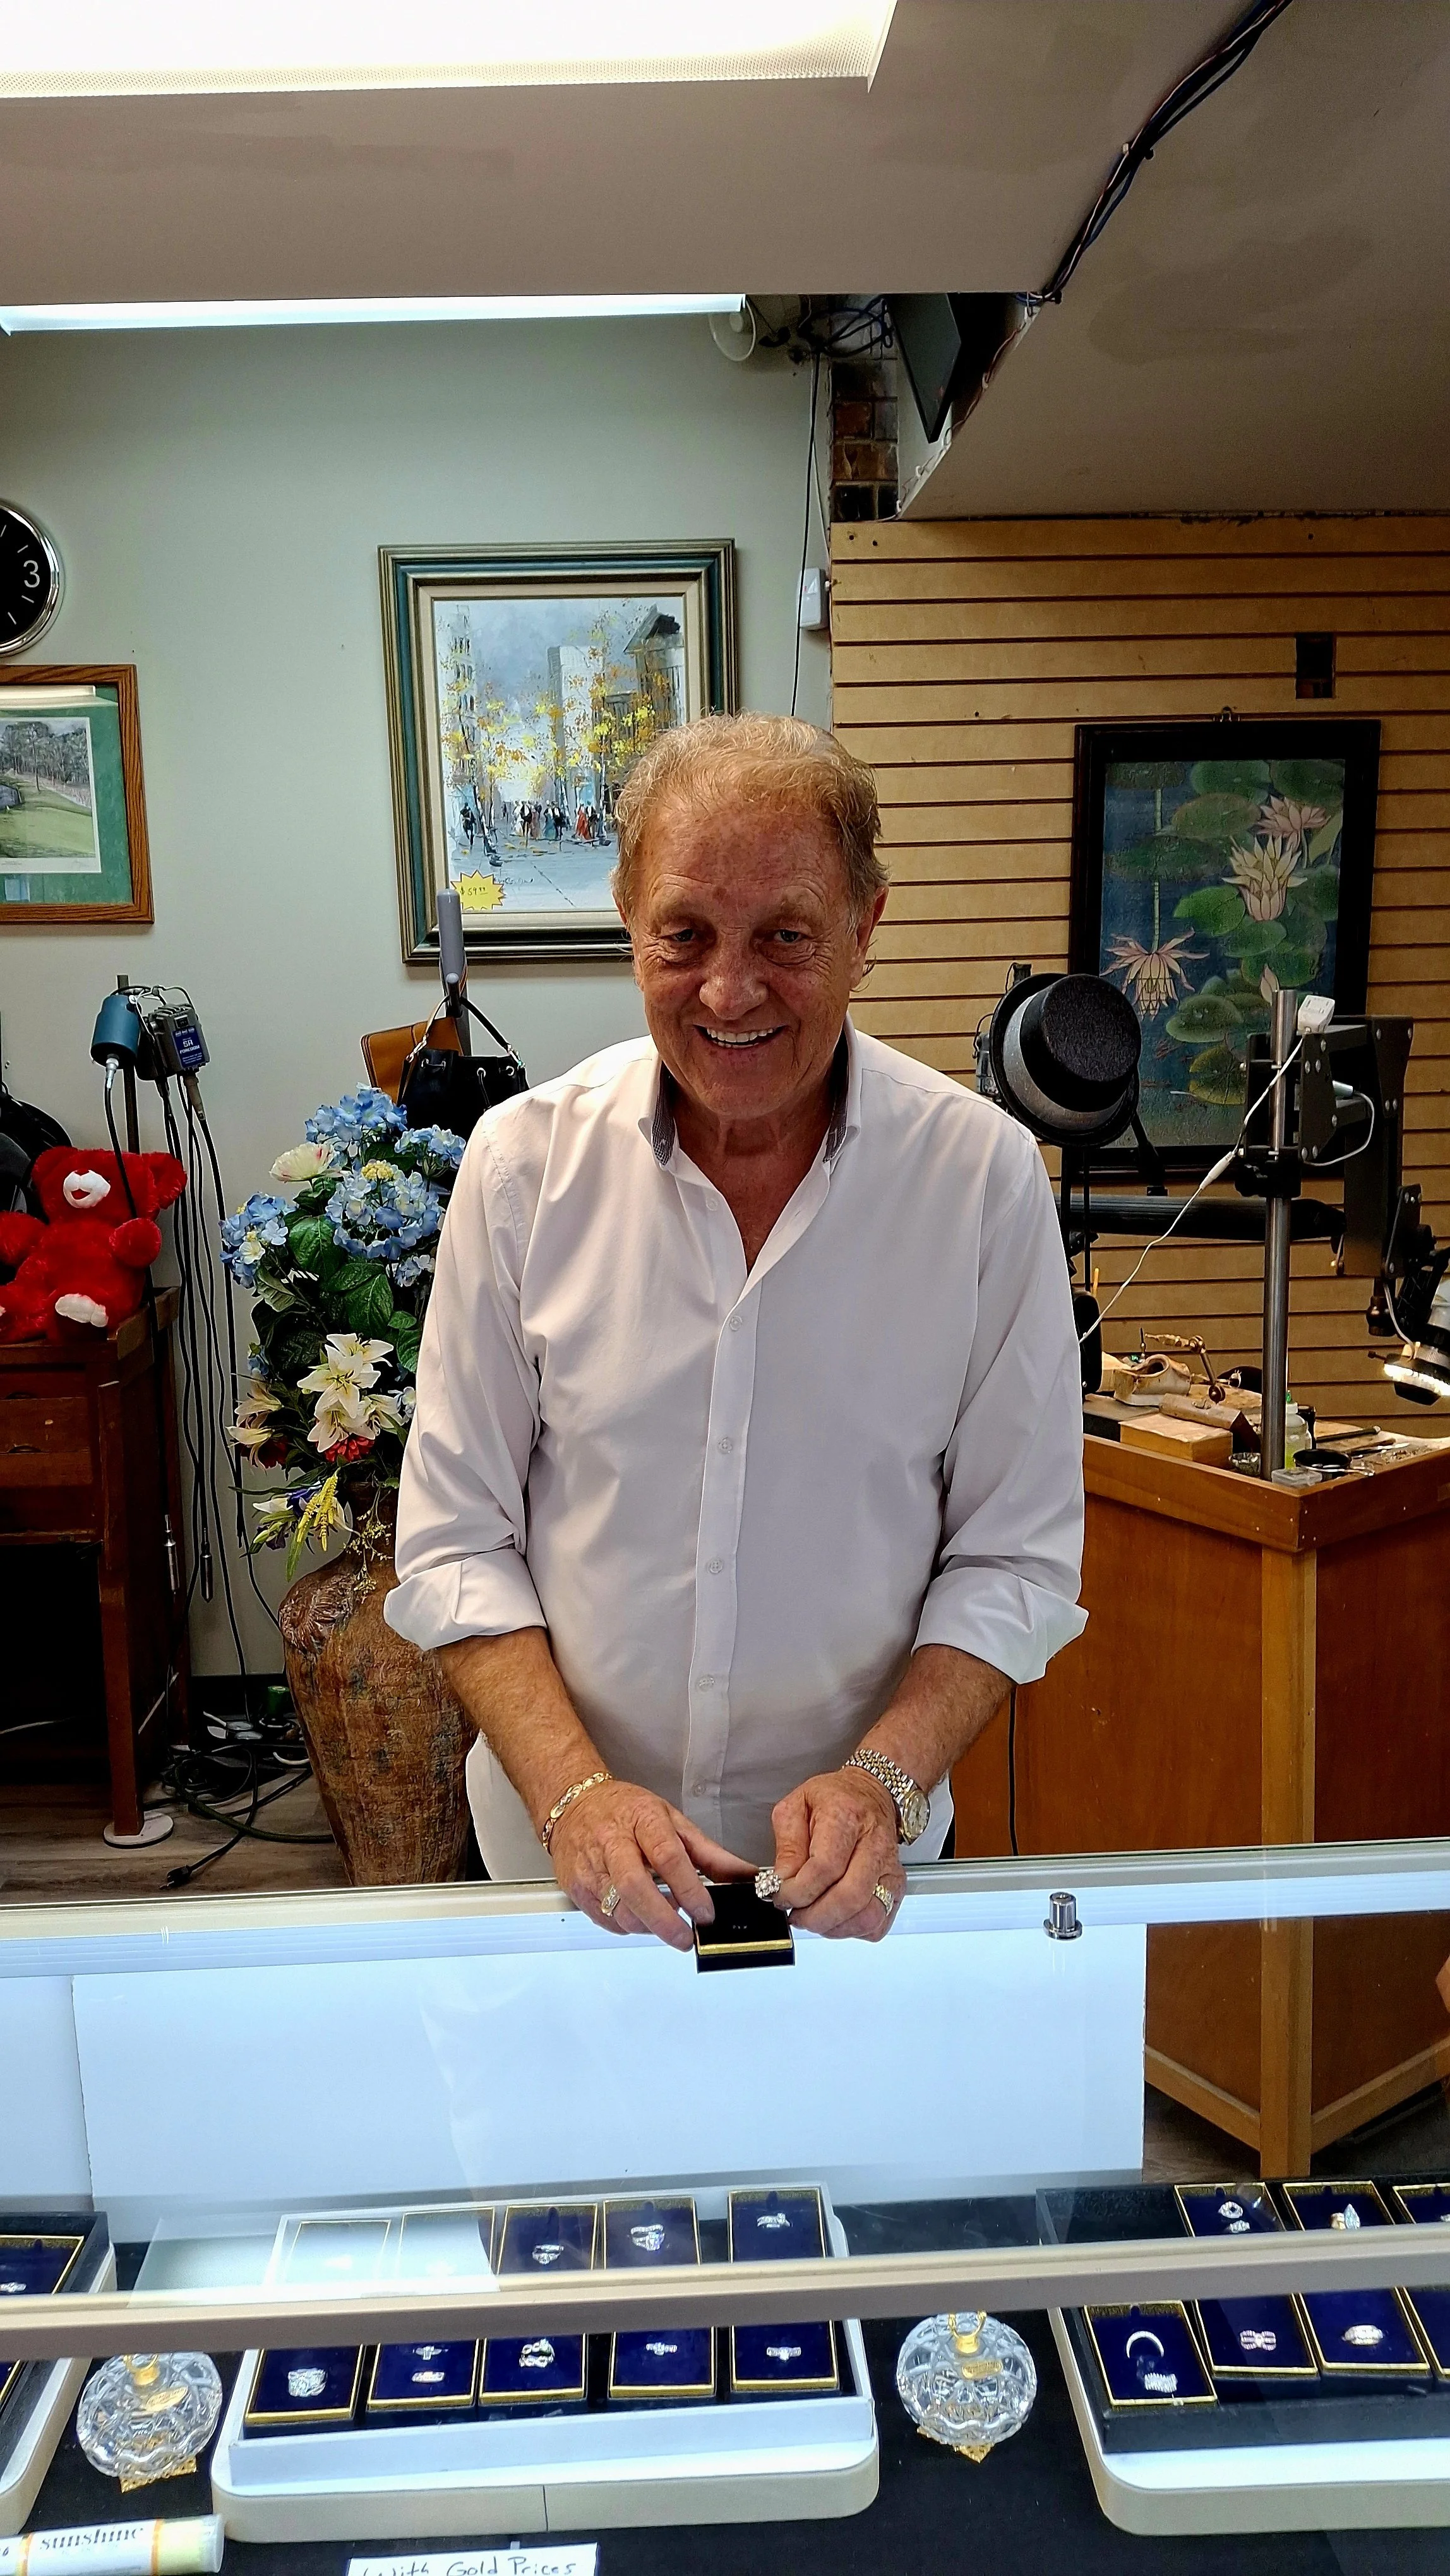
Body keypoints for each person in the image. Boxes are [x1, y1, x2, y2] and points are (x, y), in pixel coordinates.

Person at [386, 713, 1086, 1950]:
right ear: (627, 920)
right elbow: (456, 1543)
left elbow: (1013, 1558)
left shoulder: (979, 1181)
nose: (728, 989)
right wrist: (574, 1790)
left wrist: (884, 1777)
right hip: (561, 1861)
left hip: (855, 1879)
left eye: (784, 936)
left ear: (865, 927)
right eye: (686, 934)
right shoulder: (521, 1169)